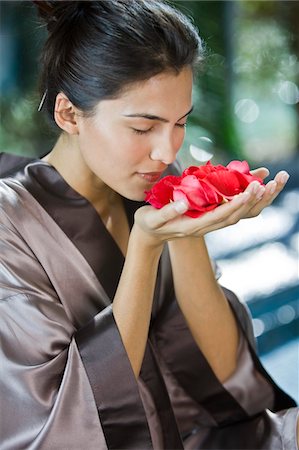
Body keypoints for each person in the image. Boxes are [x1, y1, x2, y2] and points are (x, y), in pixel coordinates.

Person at [0, 1, 297, 449]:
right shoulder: (11, 224)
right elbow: (66, 429)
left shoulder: (156, 180)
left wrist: (189, 231)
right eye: (143, 127)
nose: (166, 150)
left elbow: (225, 373)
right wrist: (146, 244)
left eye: (181, 122)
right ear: (69, 114)